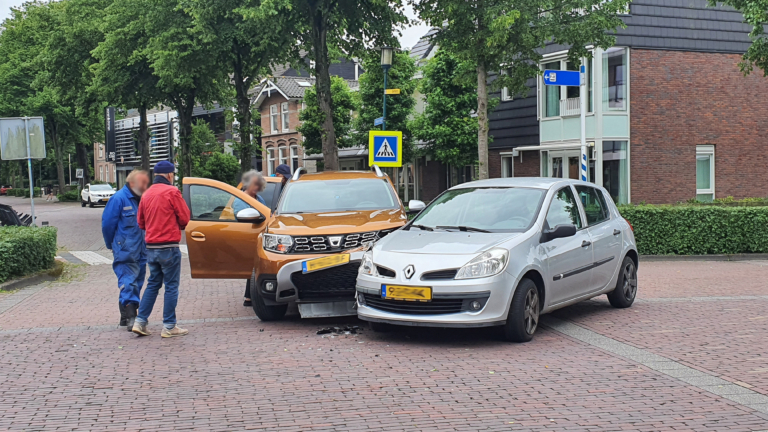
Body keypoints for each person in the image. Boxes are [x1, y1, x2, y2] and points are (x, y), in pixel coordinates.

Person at [132, 161, 191, 338]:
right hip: (169, 246)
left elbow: (140, 222)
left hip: (151, 247)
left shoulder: (147, 194)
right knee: (171, 286)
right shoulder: (172, 192)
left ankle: (140, 322)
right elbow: (185, 217)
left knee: (153, 284)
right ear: (170, 175)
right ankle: (169, 326)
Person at [101, 169, 150, 330]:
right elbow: (108, 224)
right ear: (132, 183)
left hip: (141, 249)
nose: (145, 186)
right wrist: (113, 245)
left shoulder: (141, 199)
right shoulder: (119, 199)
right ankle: (131, 317)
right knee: (128, 282)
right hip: (125, 249)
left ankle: (124, 315)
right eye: (142, 183)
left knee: (137, 281)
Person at [234, 170, 267, 307]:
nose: (257, 187)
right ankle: (250, 296)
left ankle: (250, 295)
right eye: (255, 184)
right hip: (247, 236)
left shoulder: (259, 199)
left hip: (258, 236)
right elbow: (241, 218)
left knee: (257, 264)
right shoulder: (240, 200)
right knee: (252, 265)